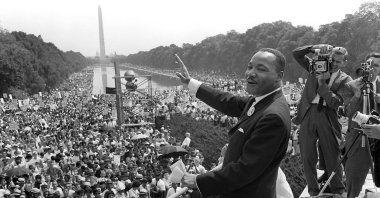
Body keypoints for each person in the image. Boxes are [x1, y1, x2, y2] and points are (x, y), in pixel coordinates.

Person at [176, 48, 291, 198]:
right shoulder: (262, 100)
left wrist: (198, 180)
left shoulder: (272, 116)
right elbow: (227, 101)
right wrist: (191, 83)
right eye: (250, 67)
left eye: (261, 69)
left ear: (279, 76)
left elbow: (246, 169)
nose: (250, 73)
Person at [292, 44, 352, 196]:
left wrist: (321, 84)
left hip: (328, 115)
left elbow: (335, 102)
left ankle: (338, 189)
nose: (334, 63)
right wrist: (313, 47)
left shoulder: (346, 80)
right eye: (332, 59)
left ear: (344, 62)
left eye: (338, 61)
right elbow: (297, 54)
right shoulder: (316, 66)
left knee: (333, 154)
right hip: (308, 113)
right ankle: (313, 190)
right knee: (307, 155)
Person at [344, 52, 380, 198]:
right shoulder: (351, 85)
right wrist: (357, 94)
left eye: (376, 66)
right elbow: (348, 112)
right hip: (358, 137)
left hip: (379, 135)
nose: (373, 69)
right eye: (370, 65)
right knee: (354, 177)